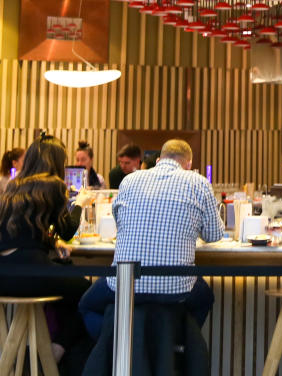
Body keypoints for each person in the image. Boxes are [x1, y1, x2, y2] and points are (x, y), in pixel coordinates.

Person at [79, 139, 225, 338]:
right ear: (189, 164)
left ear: (158, 160)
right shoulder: (199, 183)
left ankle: (121, 343)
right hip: (176, 288)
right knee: (205, 297)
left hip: (125, 282)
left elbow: (119, 222)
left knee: (87, 306)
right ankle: (174, 346)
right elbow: (214, 235)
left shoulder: (129, 180)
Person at [0, 136, 95, 372]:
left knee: (68, 282)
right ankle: (57, 350)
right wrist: (80, 202)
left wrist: (51, 240)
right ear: (57, 161)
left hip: (1, 276)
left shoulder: (13, 187)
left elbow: (26, 232)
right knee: (90, 293)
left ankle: (46, 354)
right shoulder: (54, 185)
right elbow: (68, 229)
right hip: (31, 273)